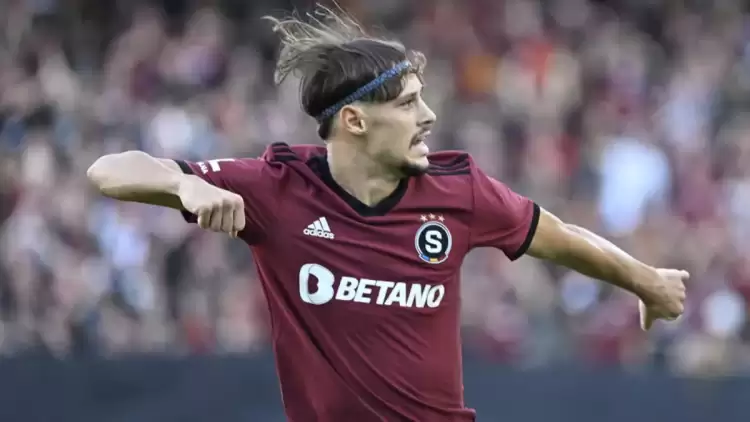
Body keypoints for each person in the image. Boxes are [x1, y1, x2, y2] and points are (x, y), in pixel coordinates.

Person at [87, 5, 687, 422]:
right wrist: (183, 185)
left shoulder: (459, 191)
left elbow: (560, 237)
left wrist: (647, 282)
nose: (428, 116)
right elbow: (108, 170)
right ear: (354, 120)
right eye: (408, 104)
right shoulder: (278, 189)